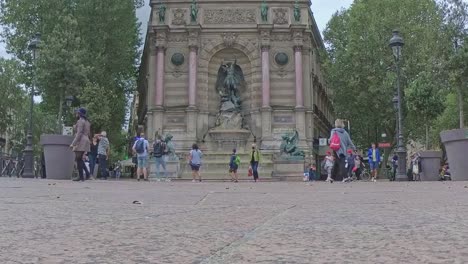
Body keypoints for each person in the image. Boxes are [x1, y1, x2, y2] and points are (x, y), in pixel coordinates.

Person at [70, 108, 91, 182]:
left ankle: (81, 177)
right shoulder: (87, 122)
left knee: (78, 159)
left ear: (79, 114)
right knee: (79, 159)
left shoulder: (80, 121)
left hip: (81, 140)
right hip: (86, 140)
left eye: (77, 113)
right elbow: (88, 133)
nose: (76, 114)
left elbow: (79, 133)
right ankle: (87, 174)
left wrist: (73, 144)